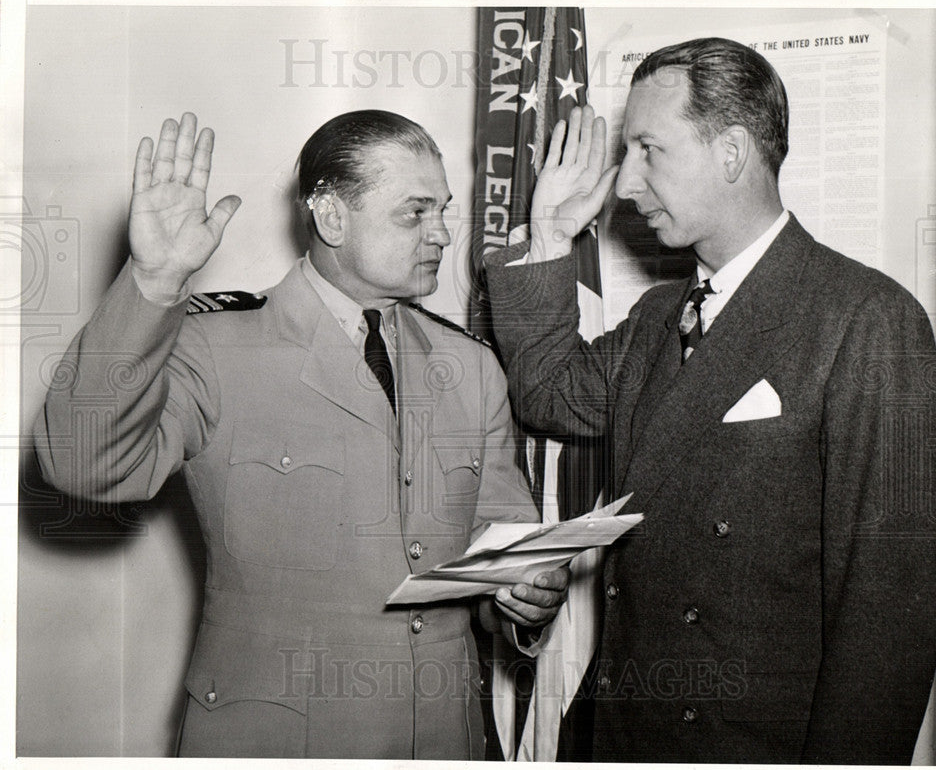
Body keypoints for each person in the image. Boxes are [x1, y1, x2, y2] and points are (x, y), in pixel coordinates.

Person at [32, 109, 569, 759]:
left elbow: (497, 559)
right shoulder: (217, 347)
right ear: (332, 216)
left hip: (440, 742)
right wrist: (155, 282)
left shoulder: (472, 368)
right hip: (279, 741)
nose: (442, 235)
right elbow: (82, 464)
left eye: (444, 211)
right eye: (415, 212)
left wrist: (522, 599)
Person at [484, 37, 936, 764]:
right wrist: (547, 233)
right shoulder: (657, 317)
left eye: (648, 150)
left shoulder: (866, 319)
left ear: (732, 153)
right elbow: (549, 392)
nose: (625, 186)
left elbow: (887, 619)